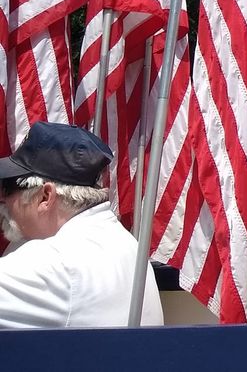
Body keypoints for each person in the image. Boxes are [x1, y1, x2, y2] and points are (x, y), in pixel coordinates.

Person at [0, 121, 163, 328]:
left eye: (7, 187)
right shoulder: (126, 244)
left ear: (45, 196)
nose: (3, 200)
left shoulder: (57, 262)